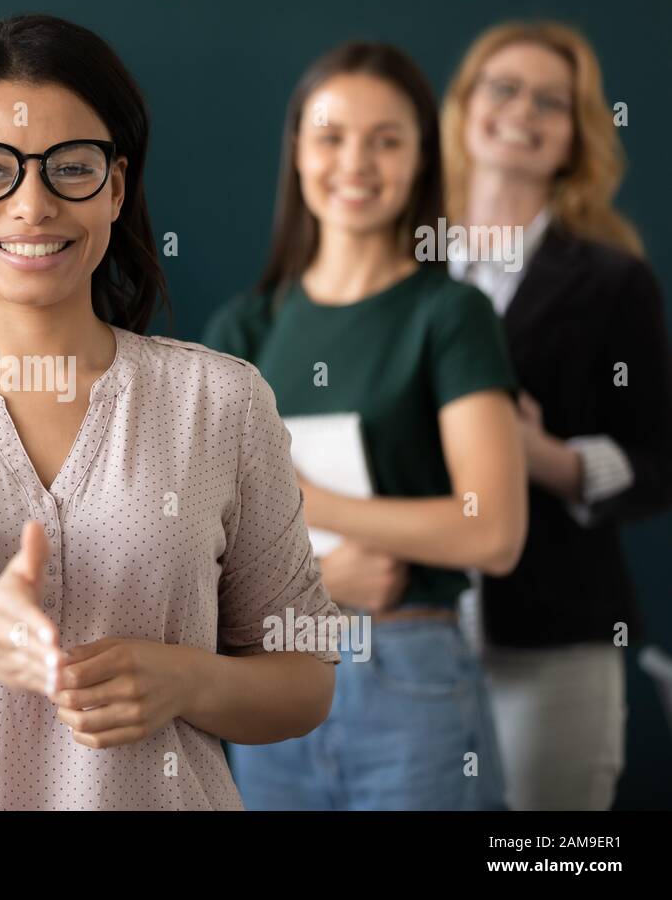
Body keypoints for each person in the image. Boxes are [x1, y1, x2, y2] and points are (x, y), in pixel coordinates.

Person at [0, 14, 340, 811]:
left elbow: (306, 675)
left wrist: (188, 678)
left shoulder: (219, 402)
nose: (33, 204)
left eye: (71, 168)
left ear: (116, 188)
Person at [204, 42, 526, 810]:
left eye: (387, 139)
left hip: (410, 677)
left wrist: (311, 505)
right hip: (270, 677)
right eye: (332, 136)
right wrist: (318, 585)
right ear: (298, 151)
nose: (357, 161)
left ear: (421, 158)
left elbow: (494, 532)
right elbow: (195, 535)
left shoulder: (449, 315)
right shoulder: (246, 329)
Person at [442, 21, 672, 809]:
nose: (523, 111)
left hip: (553, 639)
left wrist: (549, 457)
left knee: (548, 862)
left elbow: (658, 465)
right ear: (465, 107)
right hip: (406, 634)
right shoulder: (395, 264)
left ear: (576, 136)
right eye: (503, 88)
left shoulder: (613, 280)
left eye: (553, 102)